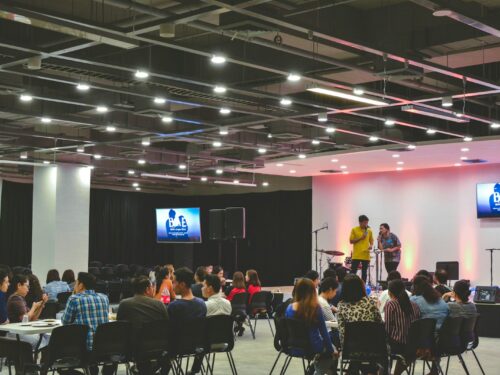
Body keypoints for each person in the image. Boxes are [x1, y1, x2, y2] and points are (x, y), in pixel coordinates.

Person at [116, 276, 169, 375]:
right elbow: (166, 324)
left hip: (133, 349)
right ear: (147, 289)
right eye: (152, 287)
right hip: (158, 348)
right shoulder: (160, 304)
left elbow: (120, 327)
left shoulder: (124, 304)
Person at [285, 278, 337, 375]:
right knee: (332, 352)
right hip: (313, 347)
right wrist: (331, 350)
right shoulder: (315, 309)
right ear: (313, 291)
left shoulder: (289, 308)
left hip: (294, 346)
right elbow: (324, 333)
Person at [337, 274, 382, 375]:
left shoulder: (341, 306)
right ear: (361, 287)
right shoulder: (371, 302)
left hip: (350, 349)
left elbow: (342, 332)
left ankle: (354, 369)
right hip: (372, 348)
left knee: (356, 355)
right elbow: (380, 325)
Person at [168, 267, 207, 374]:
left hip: (177, 347)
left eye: (174, 282)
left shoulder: (174, 306)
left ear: (182, 284)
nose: (172, 284)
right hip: (197, 346)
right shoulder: (202, 304)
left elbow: (169, 330)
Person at [61, 272, 109, 351]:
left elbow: (65, 322)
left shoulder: (74, 299)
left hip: (83, 347)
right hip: (103, 346)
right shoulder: (104, 297)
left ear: (81, 285)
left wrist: (74, 294)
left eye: (76, 283)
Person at [384, 280, 421, 375]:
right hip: (413, 344)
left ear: (389, 292)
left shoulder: (391, 304)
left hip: (398, 345)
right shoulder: (415, 305)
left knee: (379, 346)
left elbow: (387, 329)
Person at [7, 274, 49, 349]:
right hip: (16, 333)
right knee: (44, 339)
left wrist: (41, 305)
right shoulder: (16, 298)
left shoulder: (20, 298)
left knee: (46, 337)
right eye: (27, 286)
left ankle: (40, 359)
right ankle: (39, 359)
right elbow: (24, 319)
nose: (28, 289)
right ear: (19, 285)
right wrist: (34, 307)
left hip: (20, 332)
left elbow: (33, 318)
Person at [349, 215, 374, 282]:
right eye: (364, 223)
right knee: (353, 271)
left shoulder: (369, 230)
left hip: (365, 255)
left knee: (364, 273)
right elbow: (351, 241)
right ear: (360, 222)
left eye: (367, 223)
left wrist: (371, 245)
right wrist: (361, 238)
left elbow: (371, 241)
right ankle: (350, 285)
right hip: (356, 255)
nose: (366, 224)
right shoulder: (354, 229)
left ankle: (363, 287)